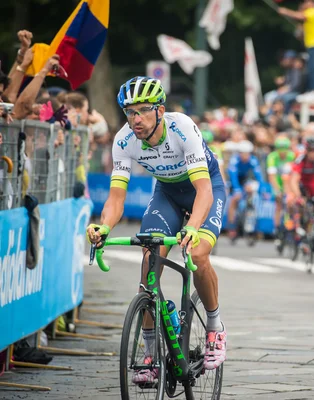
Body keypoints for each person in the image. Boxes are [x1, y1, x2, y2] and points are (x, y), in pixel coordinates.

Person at [86, 77, 227, 382]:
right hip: (167, 195)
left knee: (199, 252)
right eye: (129, 112)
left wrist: (191, 227)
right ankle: (150, 356)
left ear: (160, 111)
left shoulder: (182, 128)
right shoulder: (124, 140)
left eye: (142, 111)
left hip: (204, 188)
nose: (135, 119)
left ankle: (215, 328)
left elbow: (204, 190)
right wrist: (105, 225)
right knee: (149, 263)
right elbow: (116, 197)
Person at [279, 1, 314, 102]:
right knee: (310, 68)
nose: (303, 4)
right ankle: (312, 90)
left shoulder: (313, 11)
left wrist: (285, 11)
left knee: (313, 68)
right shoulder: (312, 14)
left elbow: (299, 16)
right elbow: (301, 35)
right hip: (312, 45)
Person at [226, 140, 266, 238]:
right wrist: (237, 190)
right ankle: (231, 226)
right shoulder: (234, 160)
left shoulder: (253, 160)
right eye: (243, 153)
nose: (245, 155)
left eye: (248, 153)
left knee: (250, 189)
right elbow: (233, 177)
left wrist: (262, 188)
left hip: (245, 179)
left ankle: (249, 211)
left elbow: (258, 176)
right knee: (234, 200)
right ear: (239, 153)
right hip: (234, 180)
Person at [266, 135, 296, 247]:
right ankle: (278, 231)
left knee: (290, 206)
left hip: (288, 183)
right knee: (278, 206)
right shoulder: (272, 157)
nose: (282, 152)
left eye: (285, 149)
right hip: (277, 183)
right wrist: (277, 191)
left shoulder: (292, 156)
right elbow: (272, 176)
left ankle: (290, 228)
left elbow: (293, 175)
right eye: (280, 150)